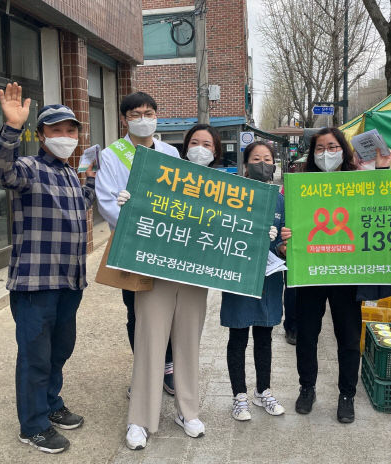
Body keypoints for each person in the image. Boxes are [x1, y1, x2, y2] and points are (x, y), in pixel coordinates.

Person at [0, 83, 95, 454]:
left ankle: (50, 404)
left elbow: (82, 202)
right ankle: (32, 425)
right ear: (40, 135)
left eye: (70, 130)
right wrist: (11, 128)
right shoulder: (29, 169)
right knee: (34, 355)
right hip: (36, 283)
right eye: (55, 130)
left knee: (59, 349)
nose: (65, 137)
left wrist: (94, 181)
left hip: (69, 281)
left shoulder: (69, 173)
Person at [120, 125, 222, 450]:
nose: (200, 148)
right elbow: (142, 216)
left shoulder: (226, 189)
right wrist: (128, 204)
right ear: (184, 147)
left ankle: (187, 411)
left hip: (195, 278)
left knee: (188, 345)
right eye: (195, 142)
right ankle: (139, 419)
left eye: (207, 144)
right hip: (157, 274)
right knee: (149, 341)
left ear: (216, 152)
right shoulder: (164, 176)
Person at [280, 127, 391, 424]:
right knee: (306, 334)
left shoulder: (359, 180)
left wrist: (383, 168)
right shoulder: (300, 184)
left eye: (332, 146)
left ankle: (347, 395)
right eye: (319, 148)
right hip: (311, 272)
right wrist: (285, 235)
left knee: (348, 336)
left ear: (343, 149)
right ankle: (307, 388)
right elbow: (285, 222)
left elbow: (384, 201)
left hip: (346, 271)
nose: (326, 153)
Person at [95, 92, 179, 396]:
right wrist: (139, 227)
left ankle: (168, 367)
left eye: (149, 113)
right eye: (135, 115)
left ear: (157, 116)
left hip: (167, 243)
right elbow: (107, 201)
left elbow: (181, 199)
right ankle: (145, 371)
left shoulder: (170, 153)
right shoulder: (111, 154)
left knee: (168, 306)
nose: (143, 120)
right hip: (132, 244)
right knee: (137, 310)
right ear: (123, 119)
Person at [220, 141, 286, 421]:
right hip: (239, 273)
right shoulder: (231, 194)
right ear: (245, 165)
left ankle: (264, 391)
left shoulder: (281, 198)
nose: (262, 163)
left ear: (274, 164)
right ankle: (239, 396)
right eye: (256, 158)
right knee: (238, 335)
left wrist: (282, 244)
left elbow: (287, 240)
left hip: (269, 277)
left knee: (264, 335)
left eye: (267, 158)